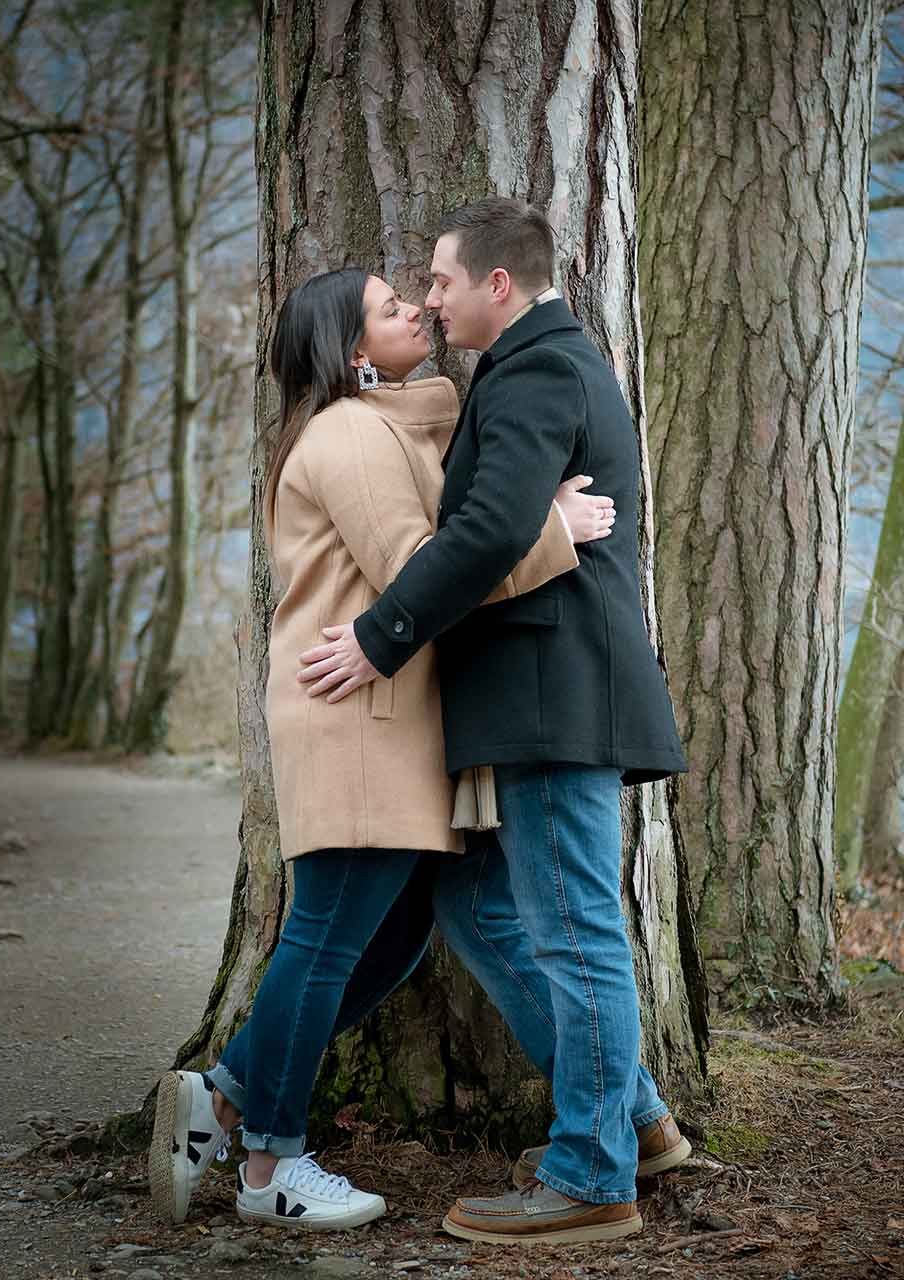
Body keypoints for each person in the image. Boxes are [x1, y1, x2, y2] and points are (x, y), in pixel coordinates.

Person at [147, 266, 614, 1231]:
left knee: (390, 940)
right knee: (323, 942)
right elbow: (419, 572)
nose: (414, 308)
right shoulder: (354, 434)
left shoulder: (391, 427)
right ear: (353, 352)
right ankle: (271, 1168)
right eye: (389, 307)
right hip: (361, 719)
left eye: (412, 294)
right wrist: (551, 530)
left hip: (387, 717)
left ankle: (225, 1096)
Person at [295, 197, 689, 1244]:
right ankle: (634, 1116)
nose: (431, 296)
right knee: (477, 904)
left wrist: (379, 636)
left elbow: (484, 532)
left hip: (553, 698)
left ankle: (592, 1173)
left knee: (575, 933)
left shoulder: (537, 368)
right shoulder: (536, 367)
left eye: (440, 279)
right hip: (528, 699)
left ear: (497, 284)